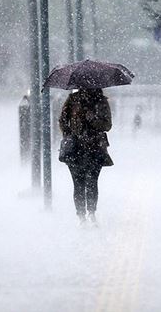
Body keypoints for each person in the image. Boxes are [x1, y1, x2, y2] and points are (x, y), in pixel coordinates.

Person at [59, 88, 113, 225]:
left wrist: (93, 119)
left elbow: (107, 125)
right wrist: (69, 135)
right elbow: (63, 120)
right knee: (78, 183)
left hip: (95, 148)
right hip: (75, 149)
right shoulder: (72, 100)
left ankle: (91, 213)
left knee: (92, 182)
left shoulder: (101, 101)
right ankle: (81, 215)